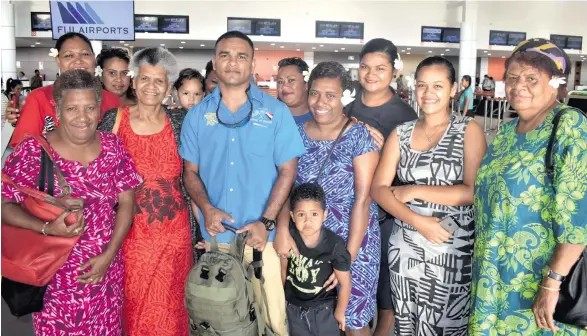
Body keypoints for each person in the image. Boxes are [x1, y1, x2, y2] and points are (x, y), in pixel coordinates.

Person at [180, 31, 304, 336]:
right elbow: (190, 173)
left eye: (241, 56)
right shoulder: (197, 116)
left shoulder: (275, 113)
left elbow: (288, 171)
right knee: (222, 322)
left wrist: (266, 221)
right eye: (225, 55)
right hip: (217, 240)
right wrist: (207, 209)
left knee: (273, 320)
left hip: (265, 240)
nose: (232, 63)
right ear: (214, 62)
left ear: (252, 65)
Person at [1, 69, 141, 335]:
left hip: (105, 272)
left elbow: (127, 203)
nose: (82, 117)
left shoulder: (113, 146)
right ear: (57, 109)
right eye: (72, 108)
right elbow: (5, 206)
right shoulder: (33, 150)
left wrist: (108, 256)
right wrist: (46, 228)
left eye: (90, 107)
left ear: (99, 108)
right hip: (54, 274)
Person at [470, 38, 587, 336]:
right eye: (512, 77)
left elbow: (579, 215)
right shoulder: (507, 132)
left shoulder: (569, 126)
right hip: (494, 275)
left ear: (556, 83)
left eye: (532, 78)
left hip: (541, 280)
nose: (518, 85)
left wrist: (551, 283)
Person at [371, 56, 487, 335]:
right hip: (406, 248)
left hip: (451, 247)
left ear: (452, 89)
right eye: (422, 85)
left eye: (437, 86)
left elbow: (473, 192)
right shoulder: (402, 133)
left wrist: (413, 190)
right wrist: (418, 221)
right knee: (408, 322)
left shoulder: (467, 130)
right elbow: (378, 189)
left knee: (446, 323)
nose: (428, 93)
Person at [98, 47, 198, 336]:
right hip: (130, 237)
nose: (151, 87)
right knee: (134, 309)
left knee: (173, 311)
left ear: (168, 88)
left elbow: (191, 177)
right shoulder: (113, 121)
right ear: (133, 81)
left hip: (175, 238)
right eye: (144, 79)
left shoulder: (179, 122)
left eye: (159, 81)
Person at [277, 61, 380, 335]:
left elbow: (363, 200)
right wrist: (282, 230)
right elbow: (287, 186)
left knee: (353, 319)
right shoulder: (297, 134)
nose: (321, 102)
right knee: (313, 317)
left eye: (331, 95)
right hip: (309, 242)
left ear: (344, 96)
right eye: (314, 93)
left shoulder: (359, 136)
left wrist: (346, 259)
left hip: (353, 241)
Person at [344, 38, 418, 336]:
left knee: (385, 282)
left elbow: (414, 172)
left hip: (386, 213)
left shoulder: (406, 116)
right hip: (348, 208)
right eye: (365, 67)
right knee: (349, 276)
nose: (371, 74)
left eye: (380, 68)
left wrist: (386, 148)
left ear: (393, 71)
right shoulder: (347, 109)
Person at [5, 33, 121, 148]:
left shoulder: (112, 101)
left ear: (93, 58)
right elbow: (24, 150)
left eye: (85, 54)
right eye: (69, 55)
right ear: (58, 60)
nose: (78, 61)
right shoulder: (38, 98)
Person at [282, 182, 352, 335]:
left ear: (324, 215)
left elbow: (345, 284)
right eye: (301, 214)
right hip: (294, 307)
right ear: (292, 216)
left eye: (314, 214)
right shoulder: (289, 238)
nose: (308, 221)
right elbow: (283, 267)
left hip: (324, 310)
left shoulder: (335, 245)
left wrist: (340, 312)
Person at [277, 57, 312, 123]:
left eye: (291, 80)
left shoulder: (319, 118)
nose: (284, 86)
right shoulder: (269, 116)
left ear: (306, 84)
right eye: (280, 82)